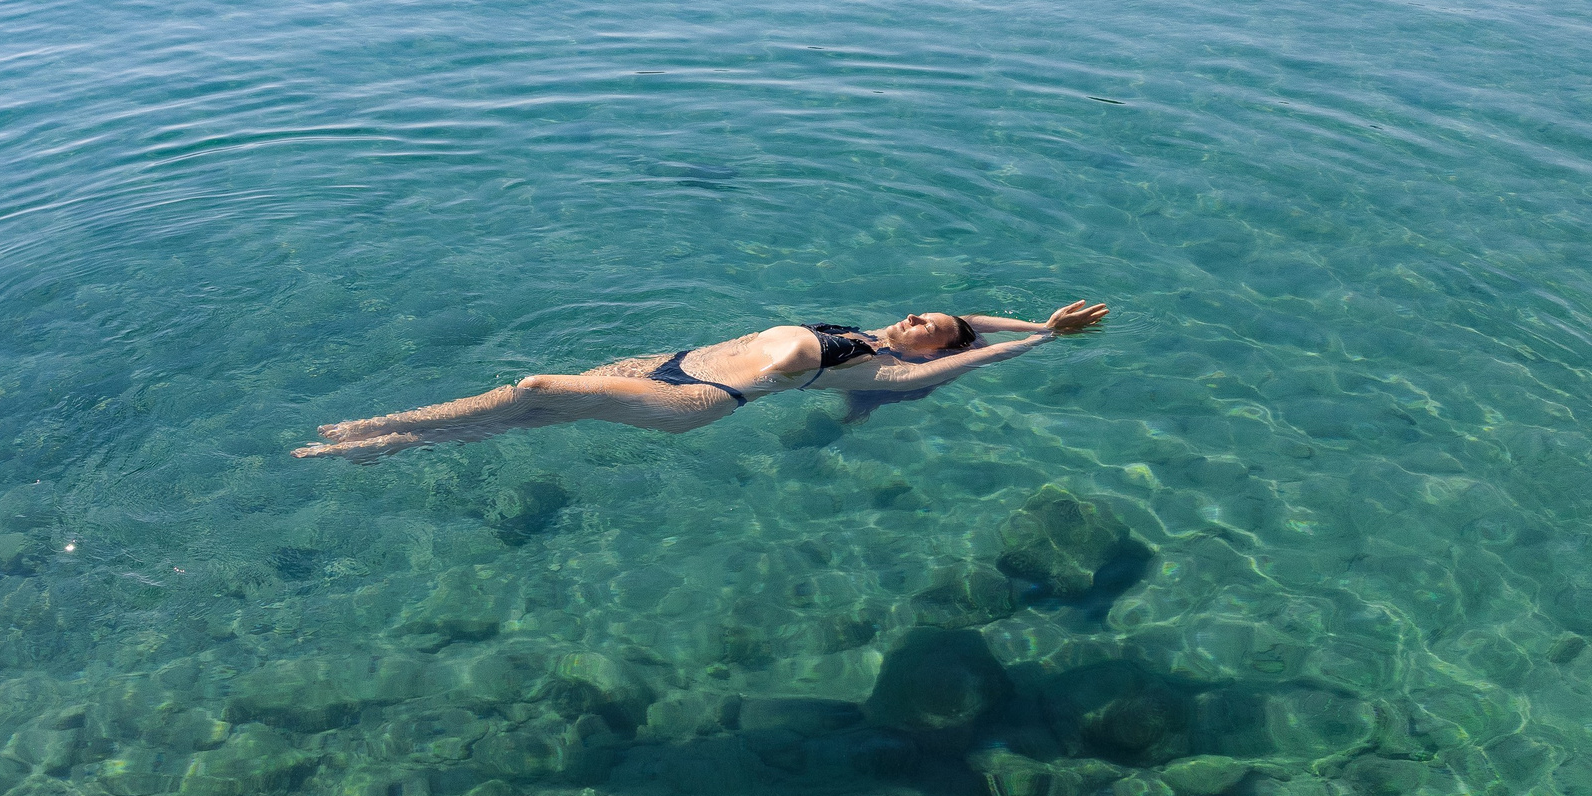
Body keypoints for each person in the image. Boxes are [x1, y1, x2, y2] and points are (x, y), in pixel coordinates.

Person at [293, 300, 1106, 460]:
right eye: (926, 314)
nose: (925, 320)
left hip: (696, 397)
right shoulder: (861, 328)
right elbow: (972, 316)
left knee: (535, 388)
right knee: (531, 418)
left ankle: (380, 424)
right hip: (665, 363)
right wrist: (1027, 312)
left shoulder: (889, 370)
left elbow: (977, 348)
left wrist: (1043, 338)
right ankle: (380, 445)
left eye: (935, 330)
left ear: (931, 353)